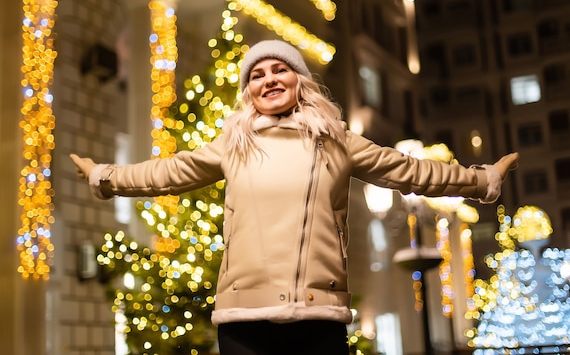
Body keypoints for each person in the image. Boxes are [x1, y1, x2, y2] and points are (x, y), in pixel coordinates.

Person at [71, 39, 519, 355]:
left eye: (279, 69)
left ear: (300, 80)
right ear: (247, 91)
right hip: (244, 317)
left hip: (318, 313)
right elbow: (169, 171)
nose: (268, 80)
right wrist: (106, 176)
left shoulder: (337, 140)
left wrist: (479, 180)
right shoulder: (233, 143)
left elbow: (408, 170)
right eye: (257, 75)